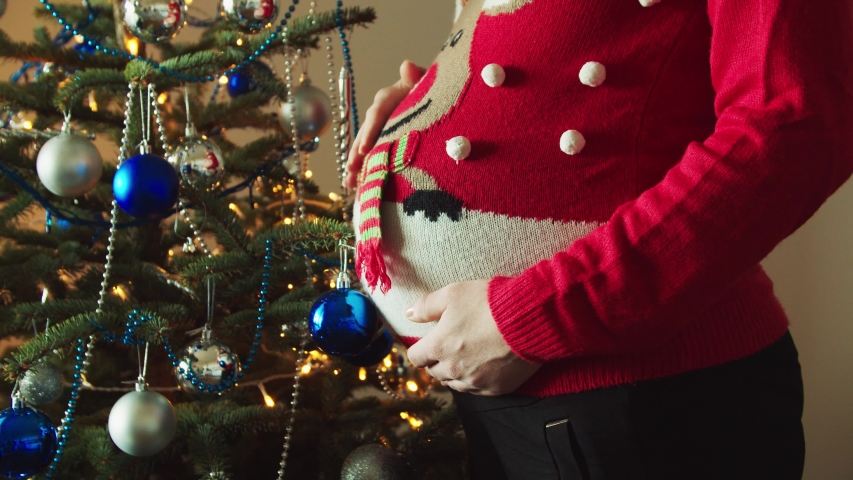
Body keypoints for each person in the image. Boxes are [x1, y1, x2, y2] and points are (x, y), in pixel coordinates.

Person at [345, 0, 853, 479]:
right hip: (507, 391)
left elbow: (793, 127)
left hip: (648, 398)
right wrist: (429, 96)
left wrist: (536, 315)